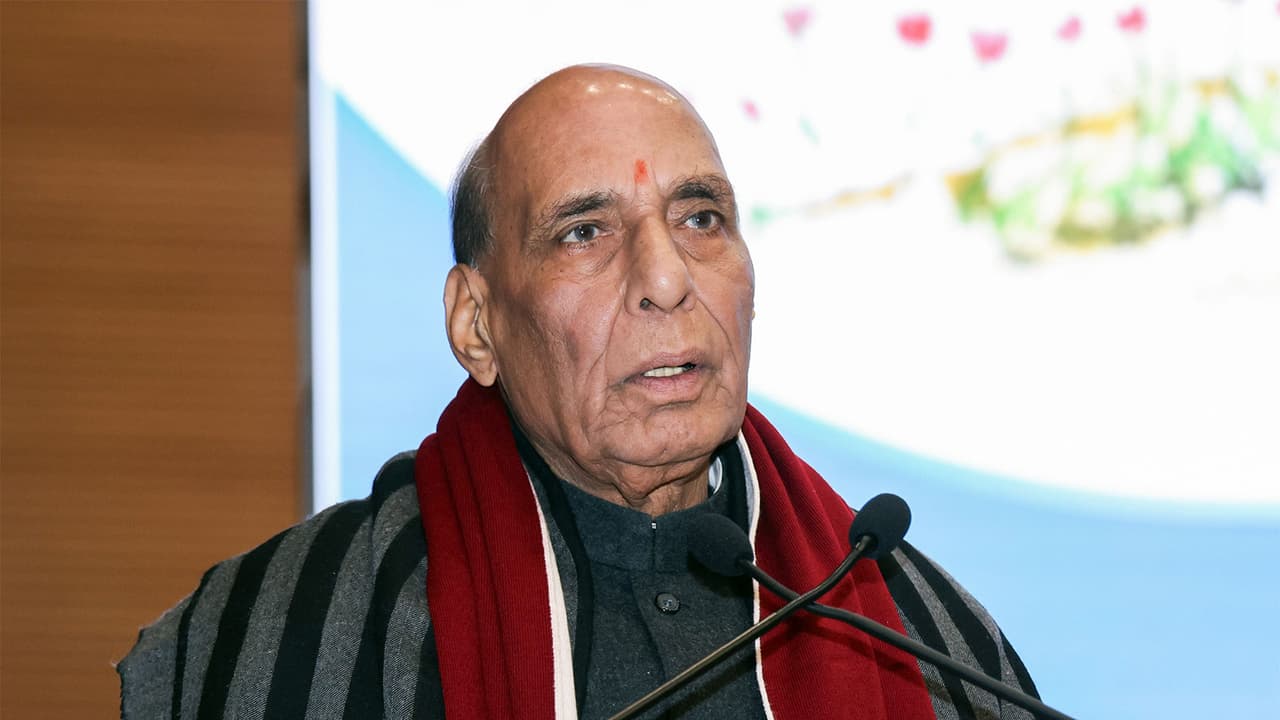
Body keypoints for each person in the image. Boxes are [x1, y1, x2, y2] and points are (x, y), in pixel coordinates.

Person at [119, 65, 1042, 719]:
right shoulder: (286, 626)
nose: (667, 279)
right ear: (476, 326)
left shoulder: (926, 640)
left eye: (701, 218)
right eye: (584, 233)